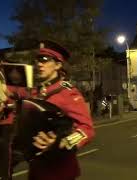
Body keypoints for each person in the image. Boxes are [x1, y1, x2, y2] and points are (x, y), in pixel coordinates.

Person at [27, 40, 95, 180]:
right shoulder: (36, 92)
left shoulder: (68, 93)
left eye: (45, 60)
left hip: (60, 172)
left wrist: (63, 143)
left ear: (58, 65)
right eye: (38, 60)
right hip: (37, 170)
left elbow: (87, 129)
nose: (39, 64)